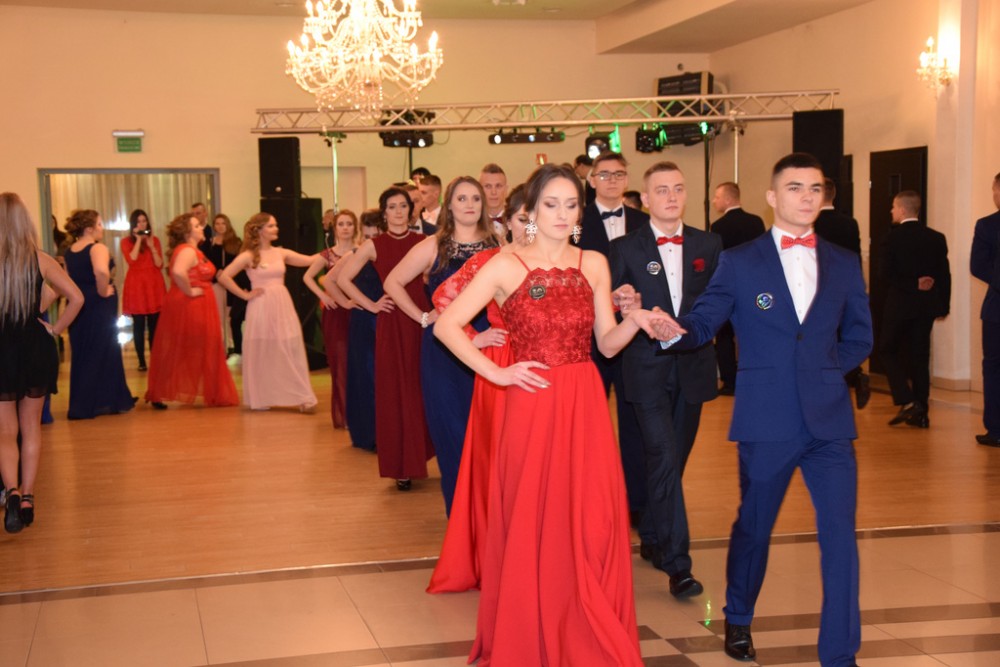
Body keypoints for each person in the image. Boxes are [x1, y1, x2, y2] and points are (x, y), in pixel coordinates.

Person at [434, 163, 675, 666]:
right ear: (530, 211)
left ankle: (580, 622)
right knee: (533, 514)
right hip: (532, 399)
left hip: (584, 400)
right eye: (551, 204)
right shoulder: (504, 264)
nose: (562, 215)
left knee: (590, 517)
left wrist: (636, 320)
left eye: (571, 205)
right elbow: (447, 325)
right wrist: (496, 373)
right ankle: (530, 630)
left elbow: (606, 344)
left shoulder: (594, 263)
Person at [653, 153, 872, 666]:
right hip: (766, 418)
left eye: (815, 189)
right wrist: (673, 329)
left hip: (829, 423)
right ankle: (739, 614)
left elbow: (861, 335)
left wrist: (823, 370)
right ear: (772, 197)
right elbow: (705, 321)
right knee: (754, 526)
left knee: (840, 537)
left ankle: (840, 655)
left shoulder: (844, 261)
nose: (806, 197)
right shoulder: (741, 260)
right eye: (795, 188)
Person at [609, 161, 722, 598]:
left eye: (677, 188)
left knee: (674, 460)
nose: (671, 197)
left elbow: (719, 301)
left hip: (693, 366)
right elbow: (616, 300)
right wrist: (625, 303)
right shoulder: (624, 247)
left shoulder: (709, 243)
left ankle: (655, 536)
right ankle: (679, 565)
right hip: (646, 367)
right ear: (645, 197)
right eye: (661, 190)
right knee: (662, 456)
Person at [427, 184, 526, 593]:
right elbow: (443, 300)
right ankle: (498, 549)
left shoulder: (567, 260)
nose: (531, 226)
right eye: (522, 219)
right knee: (499, 459)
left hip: (549, 370)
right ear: (509, 221)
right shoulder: (492, 259)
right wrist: (473, 337)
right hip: (502, 365)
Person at [384, 177, 500, 515]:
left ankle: (490, 514)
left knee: (489, 435)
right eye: (461, 198)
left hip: (489, 346)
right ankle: (462, 517)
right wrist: (423, 317)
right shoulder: (433, 245)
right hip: (444, 352)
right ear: (449, 205)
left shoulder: (498, 242)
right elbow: (392, 281)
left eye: (475, 198)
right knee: (453, 435)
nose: (469, 204)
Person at [337, 187, 433, 490]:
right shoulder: (373, 245)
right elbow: (342, 279)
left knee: (423, 387)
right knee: (396, 389)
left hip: (422, 318)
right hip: (392, 322)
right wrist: (371, 305)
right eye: (392, 207)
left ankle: (424, 453)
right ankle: (402, 465)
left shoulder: (424, 241)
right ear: (384, 212)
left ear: (410, 210)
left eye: (403, 205)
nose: (399, 211)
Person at [1, 192, 83, 533]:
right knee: (31, 427)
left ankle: (10, 491)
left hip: (2, 350)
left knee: (5, 432)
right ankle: (28, 497)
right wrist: (55, 329)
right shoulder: (41, 259)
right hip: (35, 346)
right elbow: (77, 297)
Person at [578, 150, 649, 524]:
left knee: (634, 420)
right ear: (591, 180)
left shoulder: (643, 221)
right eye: (604, 175)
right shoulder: (574, 221)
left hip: (632, 335)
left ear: (627, 179)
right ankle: (589, 499)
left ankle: (635, 501)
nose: (611, 180)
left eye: (618, 174)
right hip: (587, 335)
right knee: (589, 422)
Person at [217, 213, 328, 412]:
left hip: (282, 304)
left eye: (275, 225)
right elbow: (224, 277)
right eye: (271, 226)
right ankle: (262, 396)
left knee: (290, 348)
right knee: (263, 350)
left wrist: (336, 249)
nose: (276, 228)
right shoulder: (248, 255)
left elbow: (310, 260)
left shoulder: (281, 252)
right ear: (259, 230)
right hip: (260, 305)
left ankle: (303, 397)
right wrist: (245, 295)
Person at [144, 214, 239, 408]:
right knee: (192, 347)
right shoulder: (187, 250)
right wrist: (190, 291)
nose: (201, 228)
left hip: (198, 303)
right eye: (196, 226)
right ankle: (161, 391)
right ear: (187, 232)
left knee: (200, 347)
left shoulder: (194, 250)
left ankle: (210, 391)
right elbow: (178, 272)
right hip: (191, 305)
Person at [880, 190, 951, 429]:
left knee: (887, 349)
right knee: (920, 357)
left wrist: (912, 284)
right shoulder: (936, 238)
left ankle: (907, 399)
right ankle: (921, 414)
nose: (891, 211)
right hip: (926, 306)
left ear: (902, 210)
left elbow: (886, 274)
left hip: (900, 306)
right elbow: (944, 274)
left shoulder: (891, 238)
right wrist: (944, 305)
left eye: (893, 207)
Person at [63, 209, 135, 420]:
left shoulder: (69, 251)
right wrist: (103, 292)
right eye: (99, 224)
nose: (102, 228)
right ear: (89, 229)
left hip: (78, 305)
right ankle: (105, 401)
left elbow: (66, 279)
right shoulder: (97, 248)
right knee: (103, 352)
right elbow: (102, 272)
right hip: (98, 305)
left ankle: (88, 403)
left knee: (84, 353)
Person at [815, 178, 870, 409]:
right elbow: (854, 256)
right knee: (842, 337)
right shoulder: (849, 223)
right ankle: (852, 375)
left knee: (821, 340)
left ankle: (830, 385)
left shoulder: (810, 222)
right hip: (844, 288)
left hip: (817, 290)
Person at [709, 181, 766, 396]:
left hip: (730, 288)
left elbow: (719, 261)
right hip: (755, 287)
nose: (714, 201)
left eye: (717, 197)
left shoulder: (719, 226)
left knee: (724, 335)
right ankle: (756, 376)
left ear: (728, 199)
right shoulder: (756, 222)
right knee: (753, 334)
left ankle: (730, 382)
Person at [305, 209, 360, 428]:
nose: (345, 228)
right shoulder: (327, 255)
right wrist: (323, 296)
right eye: (341, 224)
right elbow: (307, 277)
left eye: (349, 224)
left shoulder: (361, 250)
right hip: (336, 313)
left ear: (355, 227)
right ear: (334, 228)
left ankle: (360, 414)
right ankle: (344, 415)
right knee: (340, 363)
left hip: (358, 310)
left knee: (358, 363)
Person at [333, 209, 382, 451]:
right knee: (365, 375)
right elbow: (330, 280)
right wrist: (347, 302)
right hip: (364, 321)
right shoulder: (354, 254)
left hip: (385, 319)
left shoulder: (388, 252)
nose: (371, 238)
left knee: (382, 377)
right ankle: (367, 433)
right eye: (367, 234)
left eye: (376, 234)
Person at [972, 172, 1000, 446]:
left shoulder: (988, 225)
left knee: (993, 368)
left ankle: (996, 429)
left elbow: (978, 266)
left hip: (996, 310)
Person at [120, 209, 166, 372]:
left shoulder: (155, 240)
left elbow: (159, 264)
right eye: (138, 222)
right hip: (137, 286)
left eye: (144, 221)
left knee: (155, 325)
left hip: (154, 284)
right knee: (138, 325)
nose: (142, 224)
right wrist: (139, 240)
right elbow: (131, 260)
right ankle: (141, 361)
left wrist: (152, 247)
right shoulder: (126, 242)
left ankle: (155, 359)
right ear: (133, 224)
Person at [201, 213, 247, 359]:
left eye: (223, 223)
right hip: (216, 283)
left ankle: (233, 347)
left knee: (230, 316)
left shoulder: (236, 242)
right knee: (218, 317)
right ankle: (221, 347)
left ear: (227, 225)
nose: (220, 226)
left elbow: (240, 264)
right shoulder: (209, 243)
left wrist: (227, 273)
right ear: (214, 226)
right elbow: (205, 262)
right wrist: (216, 273)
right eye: (217, 224)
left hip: (232, 283)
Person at [479, 163, 508, 236]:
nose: (493, 192)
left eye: (498, 186)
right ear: (479, 190)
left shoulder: (518, 219)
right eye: (488, 186)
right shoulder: (472, 222)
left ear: (506, 190)